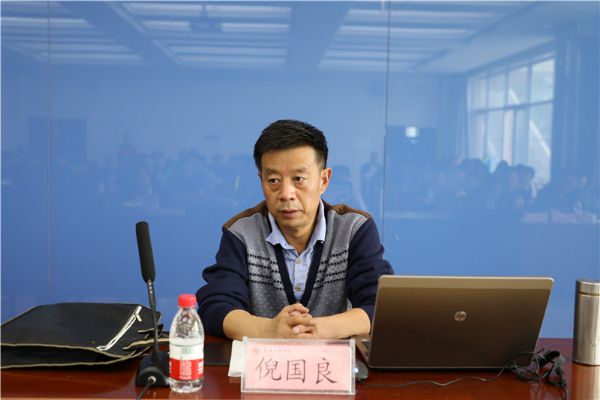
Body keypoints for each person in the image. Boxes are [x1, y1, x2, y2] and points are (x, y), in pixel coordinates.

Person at [196, 119, 393, 340]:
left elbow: (380, 306)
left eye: (299, 179)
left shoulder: (353, 229)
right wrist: (268, 330)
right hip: (264, 358)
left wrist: (316, 329)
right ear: (261, 181)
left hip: (332, 358)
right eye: (273, 180)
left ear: (324, 180)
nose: (286, 194)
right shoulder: (241, 233)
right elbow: (216, 306)